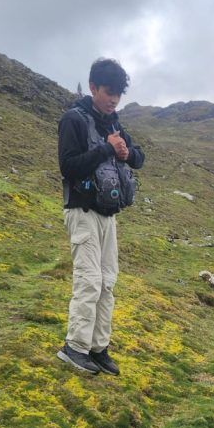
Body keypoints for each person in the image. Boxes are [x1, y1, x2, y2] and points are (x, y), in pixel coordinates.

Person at [57, 58, 145, 376]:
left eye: (118, 95)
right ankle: (74, 348)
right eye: (109, 92)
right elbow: (68, 166)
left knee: (108, 282)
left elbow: (138, 158)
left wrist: (126, 153)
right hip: (82, 212)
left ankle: (98, 349)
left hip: (109, 216)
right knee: (89, 281)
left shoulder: (114, 123)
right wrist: (107, 149)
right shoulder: (73, 120)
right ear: (93, 87)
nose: (113, 100)